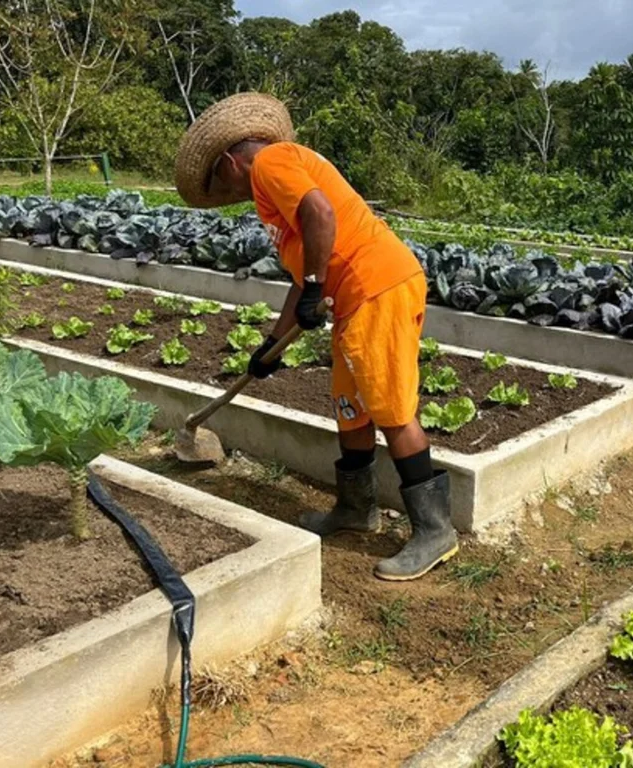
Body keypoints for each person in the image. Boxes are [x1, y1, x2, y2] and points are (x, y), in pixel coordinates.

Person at [174, 92, 458, 581]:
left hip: (378, 287)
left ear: (228, 161)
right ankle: (355, 510)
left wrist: (314, 288)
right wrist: (271, 345)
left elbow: (321, 213)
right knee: (350, 406)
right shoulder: (276, 186)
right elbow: (302, 270)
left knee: (390, 408)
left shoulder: (271, 162)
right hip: (354, 299)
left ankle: (436, 532)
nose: (224, 191)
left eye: (218, 180)